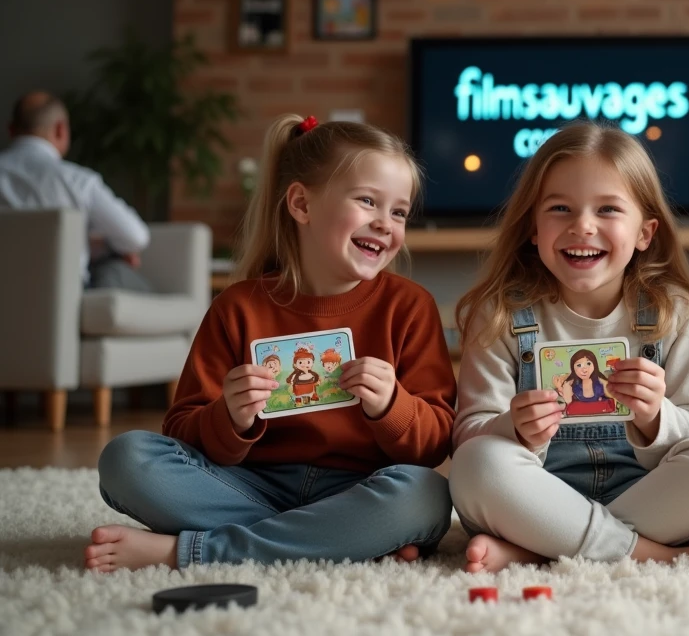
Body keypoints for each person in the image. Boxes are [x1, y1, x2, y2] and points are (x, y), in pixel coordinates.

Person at [84, 114, 455, 572]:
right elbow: (180, 430)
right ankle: (337, 538)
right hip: (246, 486)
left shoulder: (411, 307)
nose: (385, 223)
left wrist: (392, 406)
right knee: (125, 458)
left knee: (425, 495)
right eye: (367, 201)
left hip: (357, 488)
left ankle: (191, 551)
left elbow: (435, 443)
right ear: (301, 204)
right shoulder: (238, 307)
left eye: (399, 212)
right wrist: (230, 417)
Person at [448, 122, 689, 574]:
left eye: (607, 209)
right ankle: (657, 556)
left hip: (644, 495)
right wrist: (514, 429)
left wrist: (656, 416)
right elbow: (469, 433)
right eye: (560, 208)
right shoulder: (501, 313)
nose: (583, 225)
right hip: (537, 495)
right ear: (533, 229)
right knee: (475, 463)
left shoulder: (673, 311)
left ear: (645, 233)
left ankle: (541, 548)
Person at [0, 91, 152, 291]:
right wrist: (102, 245)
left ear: (11, 130)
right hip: (62, 295)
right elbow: (135, 237)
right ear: (60, 129)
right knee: (116, 271)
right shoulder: (77, 181)